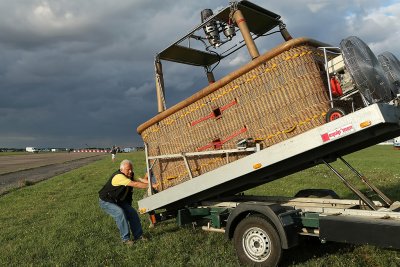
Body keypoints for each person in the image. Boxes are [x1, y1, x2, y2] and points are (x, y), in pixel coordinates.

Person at [98, 159, 153, 246]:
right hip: (106, 200)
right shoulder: (119, 176)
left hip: (118, 200)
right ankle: (125, 239)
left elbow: (141, 180)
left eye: (131, 169)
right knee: (120, 213)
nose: (131, 171)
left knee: (133, 213)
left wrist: (152, 183)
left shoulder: (130, 174)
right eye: (128, 169)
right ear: (122, 169)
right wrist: (151, 186)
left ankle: (138, 236)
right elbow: (136, 184)